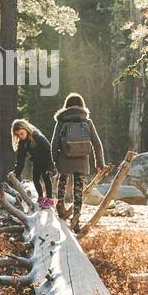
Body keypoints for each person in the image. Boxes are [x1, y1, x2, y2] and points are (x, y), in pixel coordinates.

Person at [50, 93, 105, 228]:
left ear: (66, 106)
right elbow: (97, 144)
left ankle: (60, 207)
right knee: (78, 190)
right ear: (82, 105)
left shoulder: (61, 121)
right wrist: (99, 163)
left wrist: (54, 161)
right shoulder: (87, 122)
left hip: (64, 159)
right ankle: (76, 218)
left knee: (62, 183)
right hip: (82, 160)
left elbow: (54, 143)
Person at [11, 119, 55, 207]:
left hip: (46, 160)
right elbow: (20, 160)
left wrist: (51, 166)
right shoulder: (22, 143)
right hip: (37, 161)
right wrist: (15, 173)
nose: (20, 136)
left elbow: (49, 150)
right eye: (18, 135)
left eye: (21, 133)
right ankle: (40, 198)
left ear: (26, 129)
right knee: (35, 179)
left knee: (46, 179)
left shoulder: (37, 136)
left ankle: (50, 200)